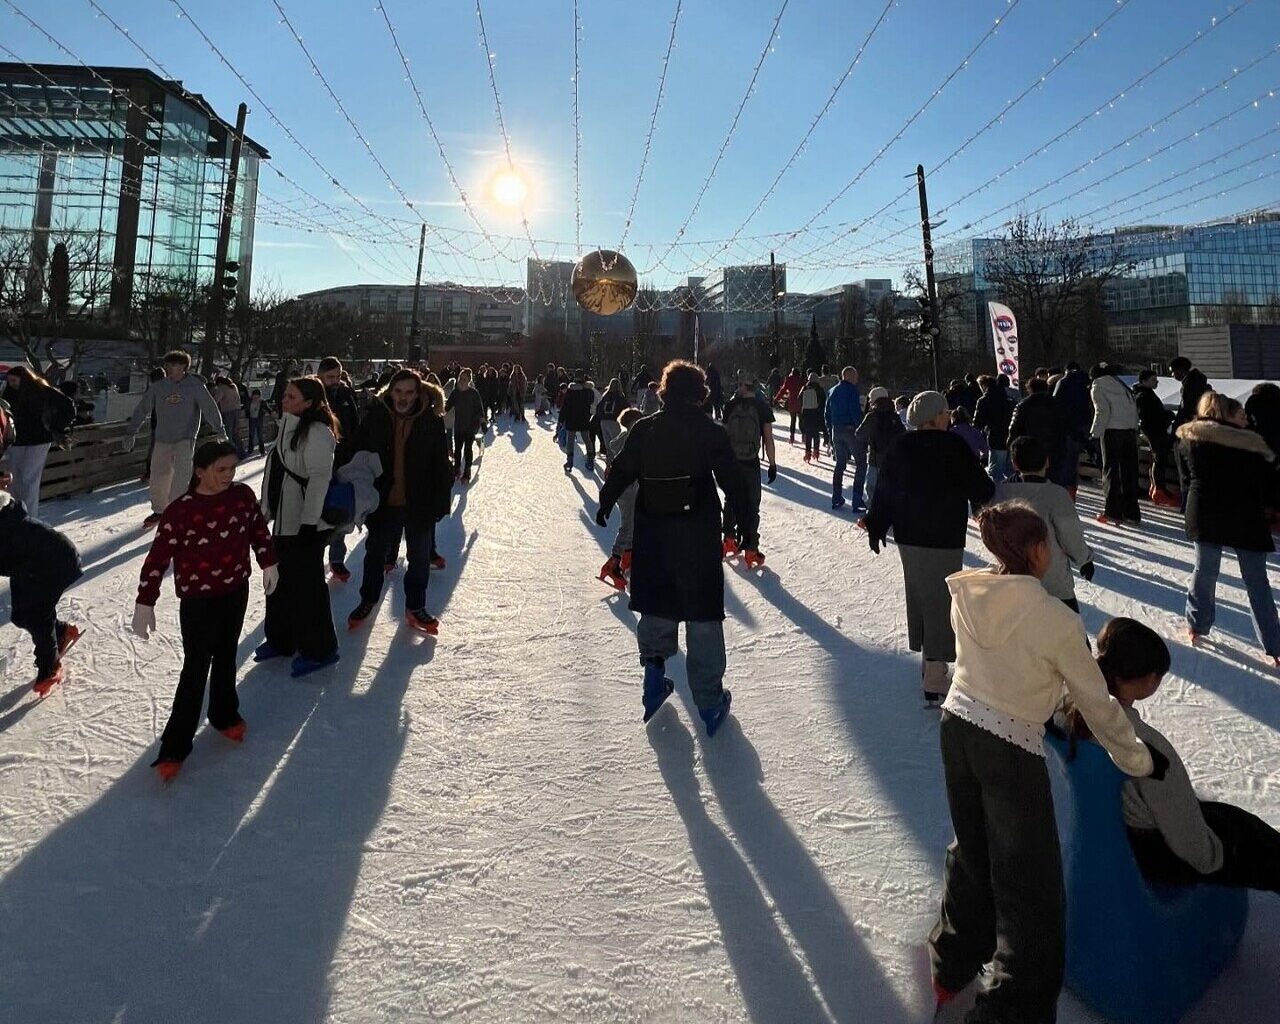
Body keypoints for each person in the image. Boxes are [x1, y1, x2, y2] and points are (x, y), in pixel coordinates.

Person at [929, 503, 1155, 1023]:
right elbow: (1096, 702)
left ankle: (951, 962)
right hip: (1008, 748)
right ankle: (1010, 1011)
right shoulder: (1057, 620)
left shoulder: (968, 593)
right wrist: (1136, 757)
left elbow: (1005, 665)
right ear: (1036, 551)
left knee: (972, 850)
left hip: (956, 727)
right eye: (1048, 541)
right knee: (1031, 890)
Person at [1067, 617, 1280, 894]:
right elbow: (1190, 841)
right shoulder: (1145, 749)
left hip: (1110, 834)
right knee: (1249, 839)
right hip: (1153, 852)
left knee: (1231, 818)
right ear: (1149, 680)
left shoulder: (1071, 711)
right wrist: (1215, 858)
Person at [596, 360, 747, 735]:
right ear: (699, 393)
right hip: (698, 536)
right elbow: (734, 481)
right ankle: (709, 703)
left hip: (655, 534)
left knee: (658, 604)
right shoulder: (710, 431)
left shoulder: (645, 429)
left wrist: (605, 503)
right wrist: (744, 523)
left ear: (664, 391)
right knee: (702, 615)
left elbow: (622, 469)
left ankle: (653, 675)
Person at [130, 440, 278, 781]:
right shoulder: (180, 511)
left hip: (235, 591)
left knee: (226, 656)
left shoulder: (241, 497)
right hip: (198, 601)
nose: (229, 475)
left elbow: (258, 530)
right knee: (196, 667)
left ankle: (224, 713)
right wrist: (145, 600)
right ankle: (175, 745)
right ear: (200, 471)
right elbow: (157, 558)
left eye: (233, 468)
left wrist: (268, 561)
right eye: (221, 469)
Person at [863, 391, 995, 705]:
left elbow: (885, 490)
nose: (949, 416)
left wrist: (877, 524)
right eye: (945, 412)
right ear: (935, 417)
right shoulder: (953, 446)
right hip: (944, 534)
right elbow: (982, 488)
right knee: (941, 599)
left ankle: (929, 663)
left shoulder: (900, 445)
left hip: (909, 534)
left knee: (921, 594)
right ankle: (935, 676)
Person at [1176, 392, 1280, 664]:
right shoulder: (1249, 443)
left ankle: (1197, 625)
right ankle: (1274, 643)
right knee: (1256, 581)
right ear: (1228, 413)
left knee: (1205, 571)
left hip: (1205, 511)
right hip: (1245, 515)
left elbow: (1185, 477)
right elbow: (1265, 481)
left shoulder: (1189, 438)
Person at [347, 369, 452, 635]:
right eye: (398, 391)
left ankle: (415, 606)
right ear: (390, 392)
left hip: (419, 502)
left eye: (409, 392)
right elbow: (355, 448)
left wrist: (441, 502)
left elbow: (441, 464)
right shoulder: (377, 416)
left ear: (418, 393)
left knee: (419, 558)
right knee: (375, 554)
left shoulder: (431, 420)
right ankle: (367, 600)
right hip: (384, 501)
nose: (403, 397)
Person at [257, 376, 340, 677]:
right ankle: (282, 639)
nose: (284, 400)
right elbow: (275, 473)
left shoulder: (317, 432)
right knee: (278, 582)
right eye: (285, 395)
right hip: (283, 521)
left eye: (291, 397)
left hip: (306, 524)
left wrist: (309, 522)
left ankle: (321, 649)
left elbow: (319, 479)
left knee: (308, 588)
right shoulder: (287, 426)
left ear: (309, 402)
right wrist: (264, 511)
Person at [0, 467, 82, 695]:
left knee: (37, 614)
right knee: (21, 615)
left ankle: (50, 665)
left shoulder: (7, 523)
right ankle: (62, 631)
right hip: (26, 566)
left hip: (54, 560)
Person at [123, 350, 226, 528]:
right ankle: (160, 510)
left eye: (173, 365)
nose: (169, 368)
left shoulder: (195, 386)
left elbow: (210, 408)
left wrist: (220, 429)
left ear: (183, 367)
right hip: (163, 437)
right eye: (167, 365)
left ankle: (179, 510)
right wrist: (131, 432)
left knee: (181, 477)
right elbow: (142, 408)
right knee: (159, 475)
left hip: (185, 437)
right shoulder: (159, 387)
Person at [996, 436, 1094, 611]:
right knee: (1067, 625)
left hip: (1014, 581)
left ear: (1015, 464)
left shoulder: (1002, 494)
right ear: (1047, 462)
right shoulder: (1056, 495)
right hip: (1053, 583)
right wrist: (1084, 559)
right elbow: (1070, 535)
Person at [2, 364, 75, 520]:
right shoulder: (8, 394)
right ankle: (15, 516)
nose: (11, 383)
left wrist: (56, 426)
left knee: (29, 479)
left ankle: (30, 517)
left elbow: (68, 406)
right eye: (9, 381)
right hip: (16, 442)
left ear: (23, 379)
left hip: (38, 440)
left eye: (14, 380)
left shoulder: (42, 390)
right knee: (13, 480)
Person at [719, 372, 777, 566]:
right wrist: (772, 464)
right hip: (751, 462)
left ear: (742, 386)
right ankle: (751, 548)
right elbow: (768, 438)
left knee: (731, 500)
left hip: (731, 461)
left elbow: (723, 434)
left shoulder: (730, 405)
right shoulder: (762, 407)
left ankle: (728, 539)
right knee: (752, 504)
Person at [317, 357, 363, 579]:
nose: (334, 381)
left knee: (339, 508)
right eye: (330, 377)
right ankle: (314, 555)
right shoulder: (314, 394)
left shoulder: (346, 393)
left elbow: (354, 424)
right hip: (318, 463)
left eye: (337, 376)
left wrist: (355, 451)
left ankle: (336, 558)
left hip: (343, 460)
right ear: (321, 376)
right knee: (316, 511)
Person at [1089, 363, 1141, 524]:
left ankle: (1113, 511)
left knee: (1111, 470)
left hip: (1111, 431)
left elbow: (1102, 411)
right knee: (1129, 471)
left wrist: (1095, 433)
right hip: (1129, 431)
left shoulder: (1098, 385)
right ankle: (1131, 512)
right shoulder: (1122, 385)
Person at [598, 407, 644, 589]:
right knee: (628, 525)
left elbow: (613, 449)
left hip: (623, 487)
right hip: (627, 487)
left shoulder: (622, 437)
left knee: (632, 523)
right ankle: (613, 563)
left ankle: (627, 557)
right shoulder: (631, 438)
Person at [1007, 377, 1068, 490]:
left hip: (1029, 451)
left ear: (1030, 389)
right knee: (1054, 484)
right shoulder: (1058, 404)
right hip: (1055, 450)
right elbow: (1065, 427)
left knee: (1030, 485)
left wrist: (1011, 447)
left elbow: (1013, 430)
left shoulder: (1023, 405)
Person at [1169, 355, 1211, 507]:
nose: (1172, 375)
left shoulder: (1189, 386)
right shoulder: (1201, 383)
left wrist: (1174, 431)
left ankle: (1188, 503)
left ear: (1180, 370)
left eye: (1173, 371)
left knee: (1185, 469)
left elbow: (1185, 411)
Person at [852, 385, 903, 507]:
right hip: (893, 459)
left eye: (870, 399)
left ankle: (872, 512)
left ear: (875, 399)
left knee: (872, 488)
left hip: (875, 460)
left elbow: (859, 434)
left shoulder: (872, 416)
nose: (869, 402)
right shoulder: (895, 416)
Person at [1133, 369, 1175, 506]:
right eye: (1153, 380)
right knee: (1159, 458)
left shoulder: (1144, 394)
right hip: (1155, 431)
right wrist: (1168, 416)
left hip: (1153, 430)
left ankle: (1156, 488)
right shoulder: (1144, 396)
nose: (1156, 382)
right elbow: (1150, 416)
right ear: (1144, 381)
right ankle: (1159, 489)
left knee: (1157, 458)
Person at [825, 366, 863, 510]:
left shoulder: (832, 391)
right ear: (849, 376)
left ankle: (836, 497)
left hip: (836, 429)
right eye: (855, 376)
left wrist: (830, 432)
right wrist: (861, 430)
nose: (857, 379)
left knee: (840, 464)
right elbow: (855, 412)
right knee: (861, 463)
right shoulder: (852, 391)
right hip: (850, 430)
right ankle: (857, 500)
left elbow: (827, 414)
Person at [973, 373, 1015, 483]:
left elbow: (978, 422)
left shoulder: (984, 400)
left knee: (995, 471)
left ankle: (997, 492)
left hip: (995, 438)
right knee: (1010, 471)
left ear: (983, 385)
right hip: (1011, 438)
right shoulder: (1009, 399)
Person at [445, 368, 485, 483]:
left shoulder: (473, 393)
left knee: (467, 449)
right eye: (460, 378)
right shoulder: (455, 393)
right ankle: (456, 469)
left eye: (464, 379)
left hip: (471, 426)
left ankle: (466, 473)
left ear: (468, 381)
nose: (461, 381)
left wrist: (483, 422)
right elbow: (447, 407)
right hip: (458, 425)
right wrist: (438, 412)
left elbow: (480, 409)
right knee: (457, 449)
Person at [560, 373, 597, 473]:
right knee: (587, 439)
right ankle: (590, 460)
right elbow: (591, 401)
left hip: (571, 419)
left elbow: (565, 406)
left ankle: (569, 462)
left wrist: (561, 419)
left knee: (570, 441)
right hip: (584, 418)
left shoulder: (570, 391)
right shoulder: (588, 391)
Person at [595, 379, 631, 467]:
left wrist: (601, 417)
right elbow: (627, 408)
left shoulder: (605, 396)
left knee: (608, 446)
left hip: (603, 422)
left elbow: (598, 408)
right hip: (613, 421)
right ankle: (618, 466)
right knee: (617, 445)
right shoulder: (620, 397)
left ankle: (608, 465)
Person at [798, 371, 827, 462]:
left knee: (808, 434)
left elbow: (799, 399)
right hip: (817, 414)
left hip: (806, 414)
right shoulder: (820, 389)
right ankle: (816, 452)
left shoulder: (805, 388)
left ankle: (807, 453)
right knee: (816, 434)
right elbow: (824, 401)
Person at [214, 376, 244, 457]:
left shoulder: (222, 388)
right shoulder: (233, 386)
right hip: (237, 410)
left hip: (228, 411)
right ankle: (242, 452)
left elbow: (216, 400)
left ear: (219, 383)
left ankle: (234, 453)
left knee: (228, 434)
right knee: (235, 433)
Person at [773, 366, 804, 443]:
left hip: (792, 402)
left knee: (793, 420)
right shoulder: (801, 380)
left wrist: (776, 399)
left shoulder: (789, 379)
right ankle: (804, 436)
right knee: (801, 420)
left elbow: (783, 390)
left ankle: (792, 438)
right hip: (801, 402)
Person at [246, 388, 268, 457]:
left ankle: (262, 451)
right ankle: (250, 451)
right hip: (252, 419)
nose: (255, 398)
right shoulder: (249, 401)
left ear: (259, 396)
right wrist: (247, 415)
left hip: (259, 419)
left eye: (257, 396)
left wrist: (271, 412)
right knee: (251, 435)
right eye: (254, 396)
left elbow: (267, 408)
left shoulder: (262, 402)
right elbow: (246, 408)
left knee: (260, 435)